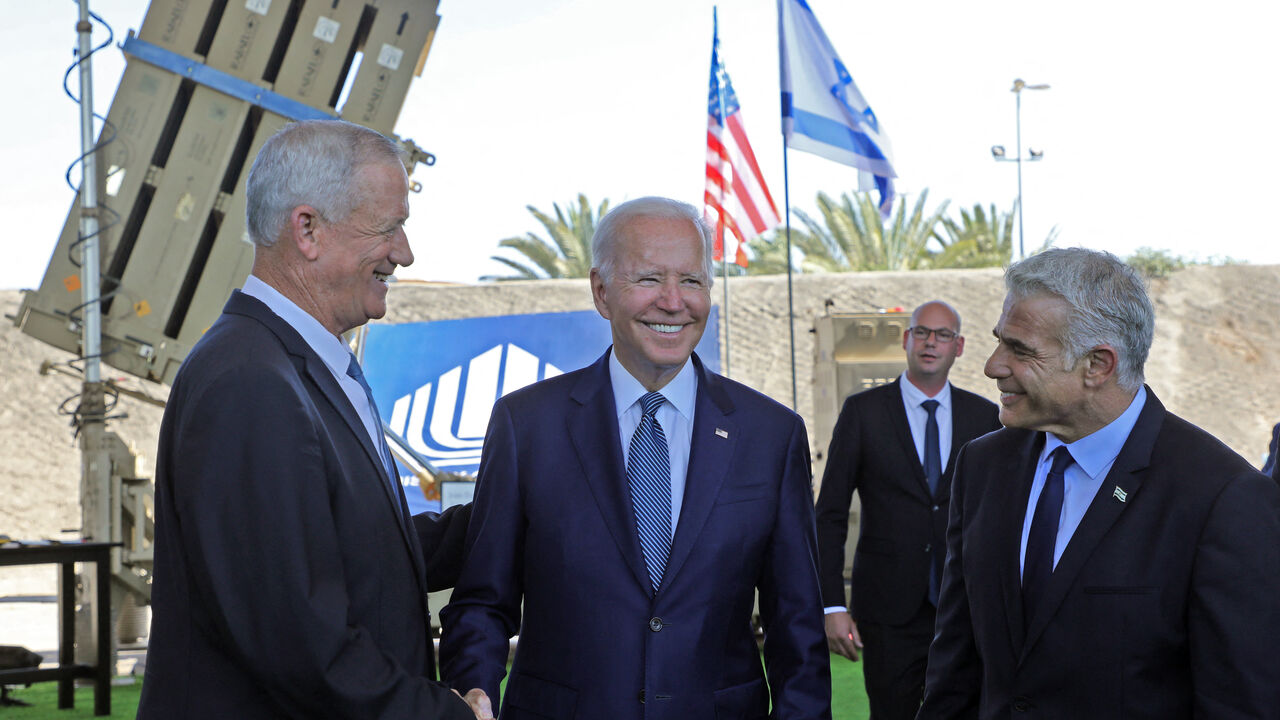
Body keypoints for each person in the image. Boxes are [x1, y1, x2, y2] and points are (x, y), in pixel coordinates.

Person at [138, 120, 490, 719]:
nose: (404, 253)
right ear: (307, 230)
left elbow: (358, 556)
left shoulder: (296, 364)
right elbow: (297, 638)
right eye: (389, 228)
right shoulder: (249, 382)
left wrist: (516, 518)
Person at [439, 197, 831, 719]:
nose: (673, 302)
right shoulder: (526, 425)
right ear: (601, 292)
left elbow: (796, 624)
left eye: (692, 281)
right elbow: (483, 601)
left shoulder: (772, 434)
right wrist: (473, 692)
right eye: (649, 279)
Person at [918, 248, 1280, 719]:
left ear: (1098, 365)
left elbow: (1239, 703)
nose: (992, 365)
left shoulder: (1222, 497)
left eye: (1020, 350)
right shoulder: (983, 466)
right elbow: (956, 669)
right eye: (999, 342)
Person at [814, 301, 998, 720]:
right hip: (887, 611)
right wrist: (831, 605)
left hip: (964, 606)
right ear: (906, 340)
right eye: (922, 332)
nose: (931, 342)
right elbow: (829, 515)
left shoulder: (985, 417)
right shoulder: (863, 412)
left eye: (943, 334)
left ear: (960, 346)